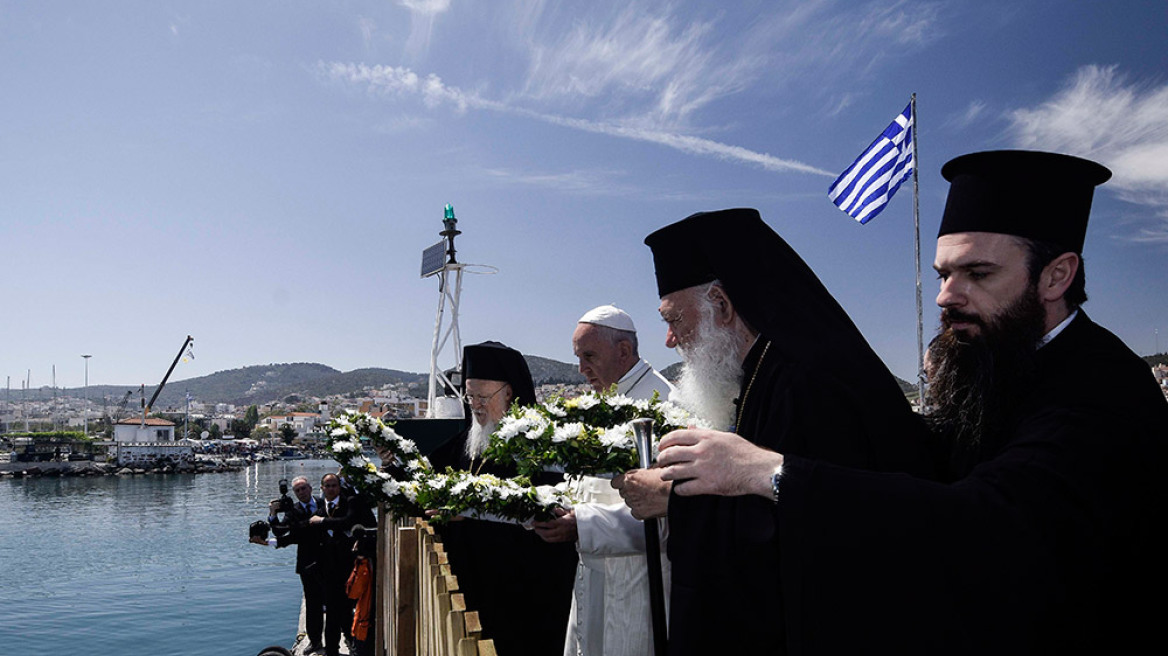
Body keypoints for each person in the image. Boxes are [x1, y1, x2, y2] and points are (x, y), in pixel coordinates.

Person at [652, 152, 1168, 654]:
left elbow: (993, 523)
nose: (946, 296)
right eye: (944, 274)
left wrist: (772, 473)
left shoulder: (1101, 390)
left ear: (1056, 276)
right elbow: (931, 464)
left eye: (978, 274)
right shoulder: (1006, 362)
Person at [617, 208, 934, 654]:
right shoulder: (761, 374)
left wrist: (674, 502)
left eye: (674, 320)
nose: (670, 340)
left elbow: (821, 524)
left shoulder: (807, 384)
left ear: (722, 305)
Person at [532, 305, 676, 656]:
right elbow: (584, 486)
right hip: (592, 582)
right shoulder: (604, 401)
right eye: (578, 357)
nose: (581, 369)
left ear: (624, 351)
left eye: (589, 356)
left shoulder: (669, 407)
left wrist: (582, 524)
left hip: (637, 589)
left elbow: (669, 518)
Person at [425, 341, 578, 656]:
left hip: (523, 590)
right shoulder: (469, 441)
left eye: (483, 397)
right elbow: (425, 470)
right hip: (474, 585)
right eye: (470, 397)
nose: (476, 406)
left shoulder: (538, 442)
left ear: (509, 393)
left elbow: (544, 509)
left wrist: (469, 511)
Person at [251, 475, 327, 655]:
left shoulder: (325, 503)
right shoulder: (292, 511)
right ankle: (315, 641)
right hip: (307, 562)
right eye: (297, 490)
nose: (301, 492)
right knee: (313, 604)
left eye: (304, 488)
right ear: (294, 493)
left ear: (310, 488)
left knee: (335, 601)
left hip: (329, 559)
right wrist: (272, 514)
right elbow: (282, 532)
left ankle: (342, 639)